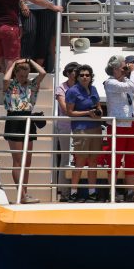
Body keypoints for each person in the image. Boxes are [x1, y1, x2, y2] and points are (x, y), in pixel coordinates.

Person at [103, 55, 134, 202]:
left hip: (131, 123)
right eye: (123, 67)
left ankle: (130, 192)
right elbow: (130, 87)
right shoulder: (110, 83)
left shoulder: (127, 80)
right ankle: (112, 191)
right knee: (115, 159)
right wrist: (131, 72)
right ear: (115, 69)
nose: (125, 69)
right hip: (117, 125)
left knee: (131, 159)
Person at [2, 58, 46, 204]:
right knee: (18, 161)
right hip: (14, 119)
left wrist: (29, 61)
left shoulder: (32, 85)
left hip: (28, 119)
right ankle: (21, 195)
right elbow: (5, 78)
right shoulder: (11, 85)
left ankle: (24, 194)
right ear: (16, 74)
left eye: (26, 75)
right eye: (21, 75)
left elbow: (42, 72)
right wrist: (13, 63)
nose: (24, 78)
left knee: (27, 162)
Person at [65, 64, 103, 202]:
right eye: (82, 75)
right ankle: (73, 193)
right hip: (81, 128)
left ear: (91, 77)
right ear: (77, 77)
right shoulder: (72, 91)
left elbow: (98, 106)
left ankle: (92, 192)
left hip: (96, 128)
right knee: (80, 160)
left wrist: (99, 112)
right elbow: (70, 112)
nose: (85, 77)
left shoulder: (93, 89)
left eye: (87, 75)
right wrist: (88, 113)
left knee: (93, 161)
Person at [55, 61, 79, 201]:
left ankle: (75, 192)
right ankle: (64, 192)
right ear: (68, 74)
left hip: (79, 127)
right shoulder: (61, 88)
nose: (76, 75)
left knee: (78, 160)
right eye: (74, 72)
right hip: (65, 128)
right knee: (65, 159)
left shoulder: (81, 87)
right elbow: (65, 109)